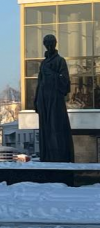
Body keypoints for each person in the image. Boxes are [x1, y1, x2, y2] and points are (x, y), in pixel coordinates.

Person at [34, 34, 75, 163]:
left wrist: (51, 75)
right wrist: (36, 100)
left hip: (55, 99)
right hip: (44, 99)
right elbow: (39, 82)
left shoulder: (60, 61)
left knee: (56, 127)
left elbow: (65, 82)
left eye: (51, 43)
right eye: (47, 44)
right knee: (46, 128)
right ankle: (47, 156)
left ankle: (59, 156)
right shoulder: (44, 63)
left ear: (55, 44)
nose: (49, 46)